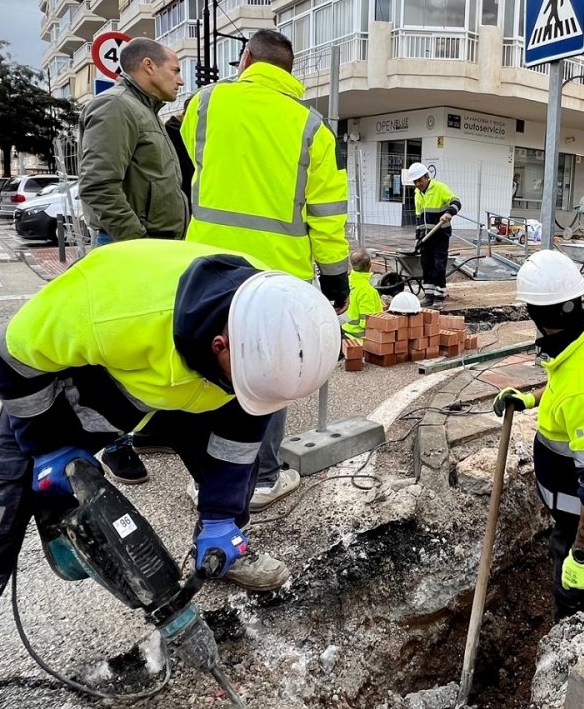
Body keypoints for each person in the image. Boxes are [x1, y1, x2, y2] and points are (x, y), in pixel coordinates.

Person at [0, 240, 340, 709]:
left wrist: (221, 517)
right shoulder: (112, 307)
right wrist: (47, 446)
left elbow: (236, 443)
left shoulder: (272, 323)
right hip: (65, 397)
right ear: (220, 344)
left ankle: (219, 552)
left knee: (229, 501)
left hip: (186, 399)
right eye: (244, 383)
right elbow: (9, 362)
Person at [181, 28, 350, 514]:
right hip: (278, 278)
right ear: (290, 72)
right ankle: (263, 479)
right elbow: (328, 215)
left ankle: (207, 478)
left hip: (207, 268)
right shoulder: (312, 128)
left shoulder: (206, 103)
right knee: (270, 371)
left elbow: (197, 168)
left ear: (245, 58)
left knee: (209, 367)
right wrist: (336, 281)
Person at [492, 250, 584, 620]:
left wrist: (580, 555)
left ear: (535, 313)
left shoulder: (582, 389)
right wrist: (529, 398)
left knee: (574, 598)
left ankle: (568, 643)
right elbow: (564, 388)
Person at [76, 37, 189, 485]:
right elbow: (99, 186)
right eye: (175, 69)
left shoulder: (145, 112)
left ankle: (147, 430)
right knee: (116, 350)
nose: (180, 78)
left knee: (149, 344)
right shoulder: (117, 108)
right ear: (148, 66)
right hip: (131, 249)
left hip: (153, 248)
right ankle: (113, 445)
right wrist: (136, 244)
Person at [404, 162, 461, 307]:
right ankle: (429, 295)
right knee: (426, 265)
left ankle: (439, 296)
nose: (417, 184)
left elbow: (456, 202)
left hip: (440, 234)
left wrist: (449, 212)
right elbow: (419, 217)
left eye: (419, 180)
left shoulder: (440, 188)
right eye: (415, 182)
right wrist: (419, 238)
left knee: (438, 265)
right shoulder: (418, 193)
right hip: (426, 237)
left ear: (426, 177)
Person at [341, 249, 385, 340]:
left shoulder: (346, 282)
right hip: (361, 340)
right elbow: (366, 323)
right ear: (369, 265)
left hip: (345, 332)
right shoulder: (368, 291)